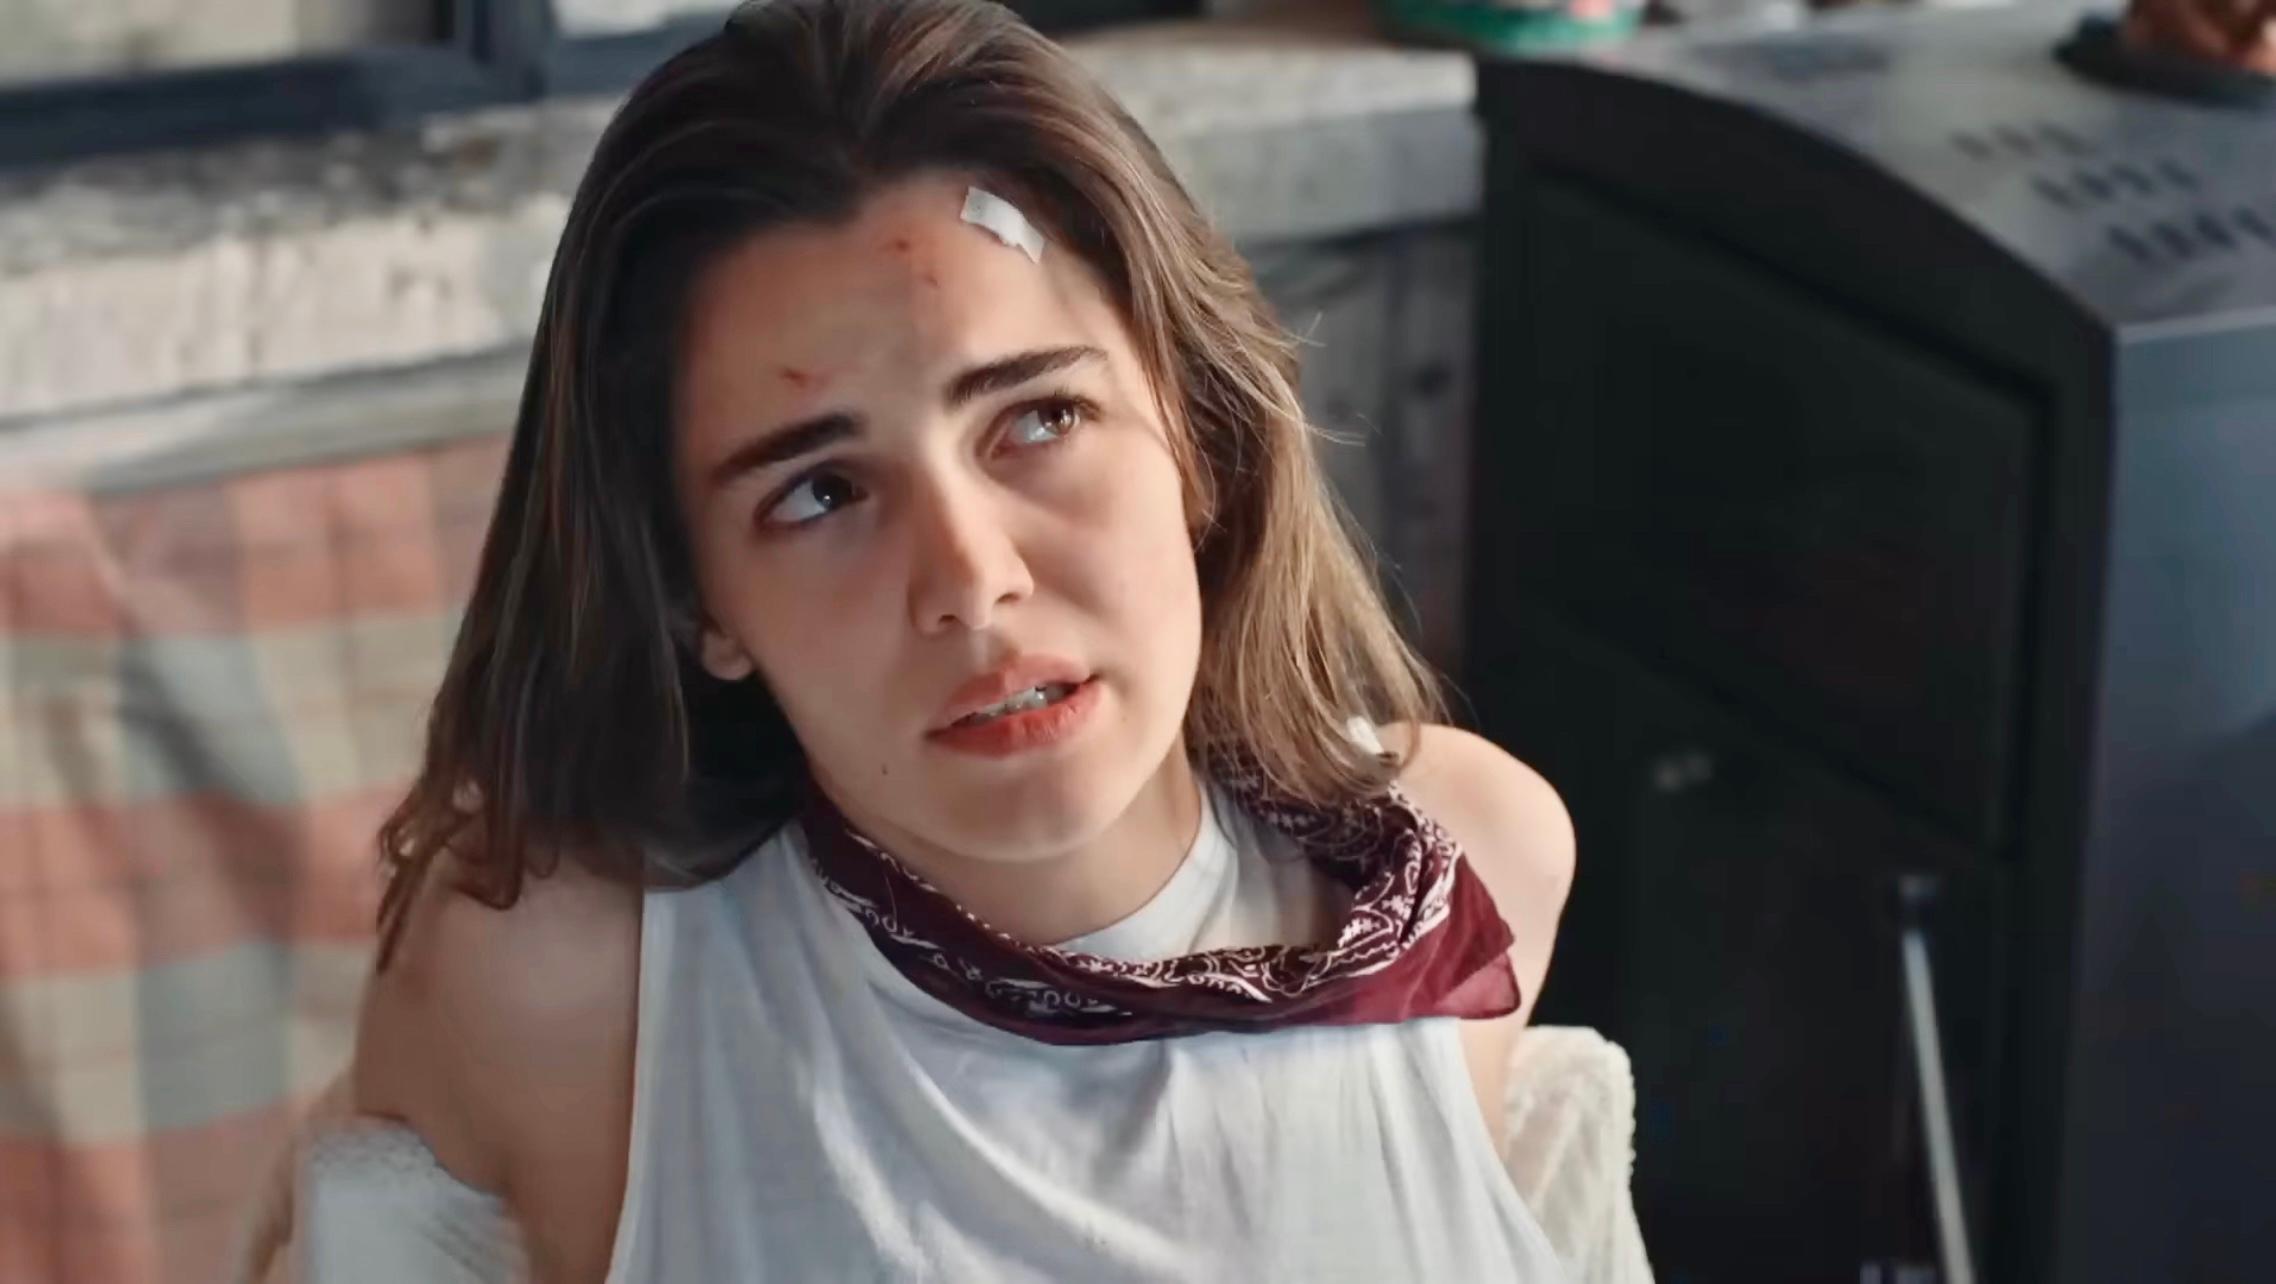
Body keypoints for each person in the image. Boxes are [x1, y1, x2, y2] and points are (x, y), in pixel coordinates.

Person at [350, 1, 1576, 1279]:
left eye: (1039, 419)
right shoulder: (563, 984)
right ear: (693, 600)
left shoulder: (1470, 863)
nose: (972, 584)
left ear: (1197, 437)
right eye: (821, 492)